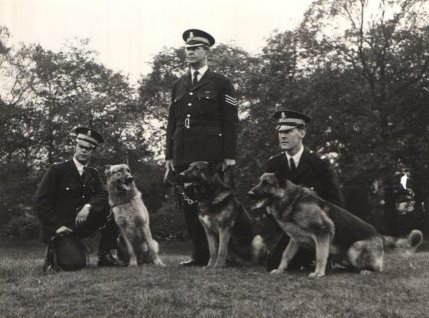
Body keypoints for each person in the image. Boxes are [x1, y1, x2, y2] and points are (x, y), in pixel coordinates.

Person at [165, 29, 254, 266]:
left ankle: (233, 254)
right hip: (182, 150)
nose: (190, 53)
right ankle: (200, 255)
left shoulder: (221, 83)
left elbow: (230, 120)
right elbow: (172, 121)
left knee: (221, 204)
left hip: (210, 153)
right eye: (187, 49)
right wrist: (169, 155)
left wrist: (229, 154)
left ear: (207, 51)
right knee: (190, 206)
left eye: (195, 48)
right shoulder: (178, 85)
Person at [264, 108, 345, 271]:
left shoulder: (319, 164)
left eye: (288, 131)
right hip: (289, 233)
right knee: (273, 264)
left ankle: (323, 257)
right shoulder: (273, 165)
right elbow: (268, 204)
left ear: (302, 133)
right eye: (280, 132)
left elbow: (336, 204)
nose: (282, 136)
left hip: (315, 231)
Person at [34, 126, 125, 267]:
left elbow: (102, 195)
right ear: (75, 147)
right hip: (61, 228)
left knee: (111, 210)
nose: (84, 150)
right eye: (81, 146)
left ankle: (105, 255)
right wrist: (56, 227)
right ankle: (55, 251)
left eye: (88, 149)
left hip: (81, 225)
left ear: (92, 152)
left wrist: (89, 206)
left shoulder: (92, 173)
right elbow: (40, 202)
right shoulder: (57, 170)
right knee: (75, 264)